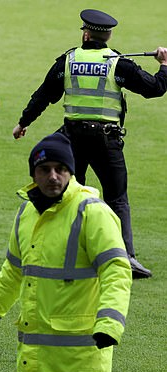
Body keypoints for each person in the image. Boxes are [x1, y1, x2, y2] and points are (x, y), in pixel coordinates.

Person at [0, 133, 132, 372]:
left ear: (71, 171)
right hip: (35, 359)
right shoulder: (27, 212)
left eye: (60, 169)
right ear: (33, 174)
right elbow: (13, 272)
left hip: (77, 357)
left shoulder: (92, 212)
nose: (53, 176)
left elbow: (116, 269)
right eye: (44, 170)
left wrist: (110, 323)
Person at [12, 9, 167, 279]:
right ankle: (125, 256)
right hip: (106, 140)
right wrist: (164, 65)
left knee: (70, 195)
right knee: (117, 198)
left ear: (85, 33)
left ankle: (63, 251)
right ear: (107, 34)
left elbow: (44, 94)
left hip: (71, 139)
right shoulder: (118, 63)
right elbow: (154, 88)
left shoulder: (68, 60)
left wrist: (23, 122)